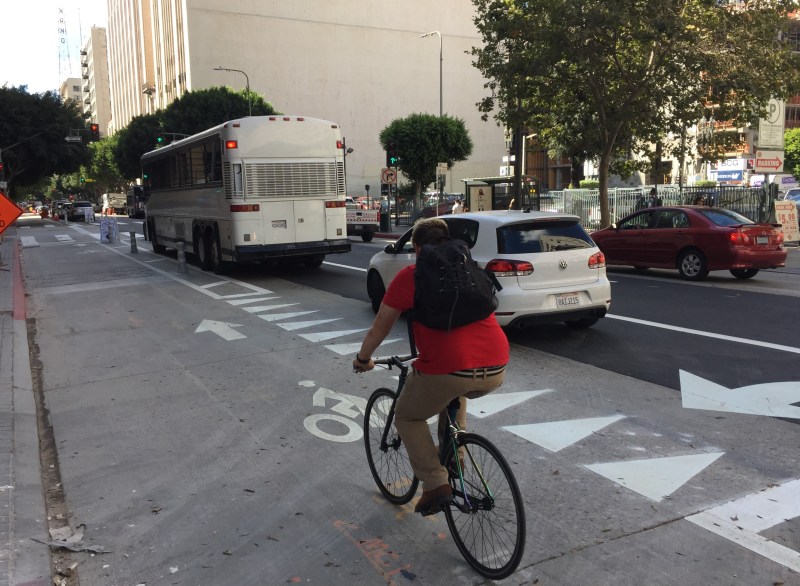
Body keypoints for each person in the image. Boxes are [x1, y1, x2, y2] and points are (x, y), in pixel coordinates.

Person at [352, 217, 510, 514]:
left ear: (416, 246)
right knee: (455, 391)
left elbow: (379, 328)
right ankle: (455, 458)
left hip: (448, 368)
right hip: (498, 363)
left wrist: (363, 359)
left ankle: (437, 483)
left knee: (408, 416)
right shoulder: (469, 270)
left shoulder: (411, 276)